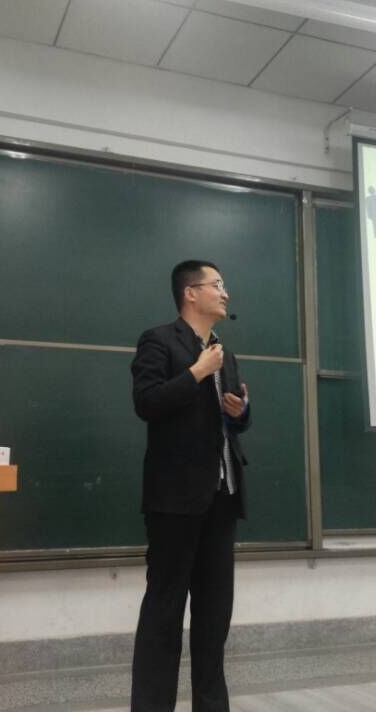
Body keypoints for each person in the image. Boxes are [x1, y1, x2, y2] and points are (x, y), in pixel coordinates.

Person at [130, 260, 251, 712]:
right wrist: (196, 373)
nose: (225, 293)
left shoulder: (224, 352)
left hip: (221, 497)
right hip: (175, 500)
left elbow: (231, 422)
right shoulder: (159, 341)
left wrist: (241, 411)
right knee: (163, 613)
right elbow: (147, 403)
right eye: (217, 284)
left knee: (214, 617)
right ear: (191, 293)